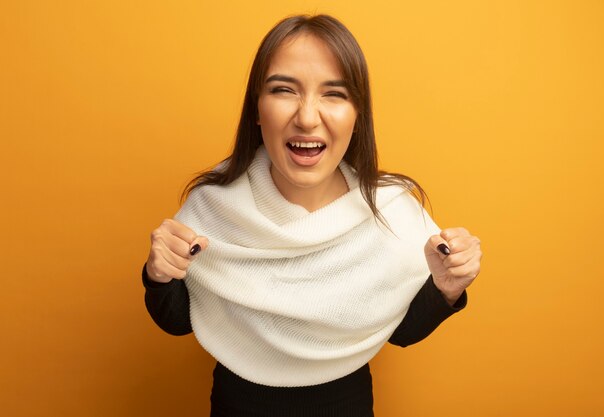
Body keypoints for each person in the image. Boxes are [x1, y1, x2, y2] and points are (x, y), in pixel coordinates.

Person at [142, 14, 482, 417]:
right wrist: (157, 274)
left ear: (358, 115)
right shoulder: (212, 203)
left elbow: (402, 333)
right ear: (257, 108)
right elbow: (179, 322)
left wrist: (446, 288)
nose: (306, 117)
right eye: (284, 90)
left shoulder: (391, 211)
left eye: (334, 94)